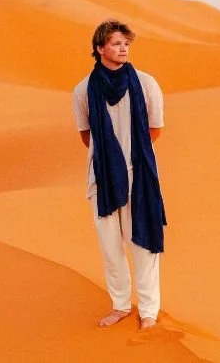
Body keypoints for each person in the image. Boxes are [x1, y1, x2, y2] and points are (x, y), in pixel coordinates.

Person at [72, 19, 167, 330]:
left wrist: (130, 157)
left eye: (126, 43)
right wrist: (110, 162)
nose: (123, 48)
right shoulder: (83, 90)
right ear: (100, 49)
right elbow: (86, 135)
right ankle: (121, 305)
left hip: (140, 177)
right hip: (102, 180)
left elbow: (155, 129)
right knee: (111, 249)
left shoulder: (147, 84)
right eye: (116, 43)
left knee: (143, 247)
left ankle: (149, 310)